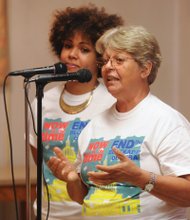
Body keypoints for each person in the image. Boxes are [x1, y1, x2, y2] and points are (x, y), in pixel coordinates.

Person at [47, 26, 190, 220]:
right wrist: (72, 179)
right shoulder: (93, 126)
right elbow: (82, 197)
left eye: (119, 60)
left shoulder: (167, 121)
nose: (107, 67)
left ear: (145, 69)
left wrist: (139, 177)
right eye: (105, 61)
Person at [29, 4, 124, 220]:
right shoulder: (42, 100)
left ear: (100, 58)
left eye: (84, 49)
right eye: (67, 45)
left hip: (92, 214)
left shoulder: (112, 101)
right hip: (48, 213)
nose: (72, 54)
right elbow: (40, 160)